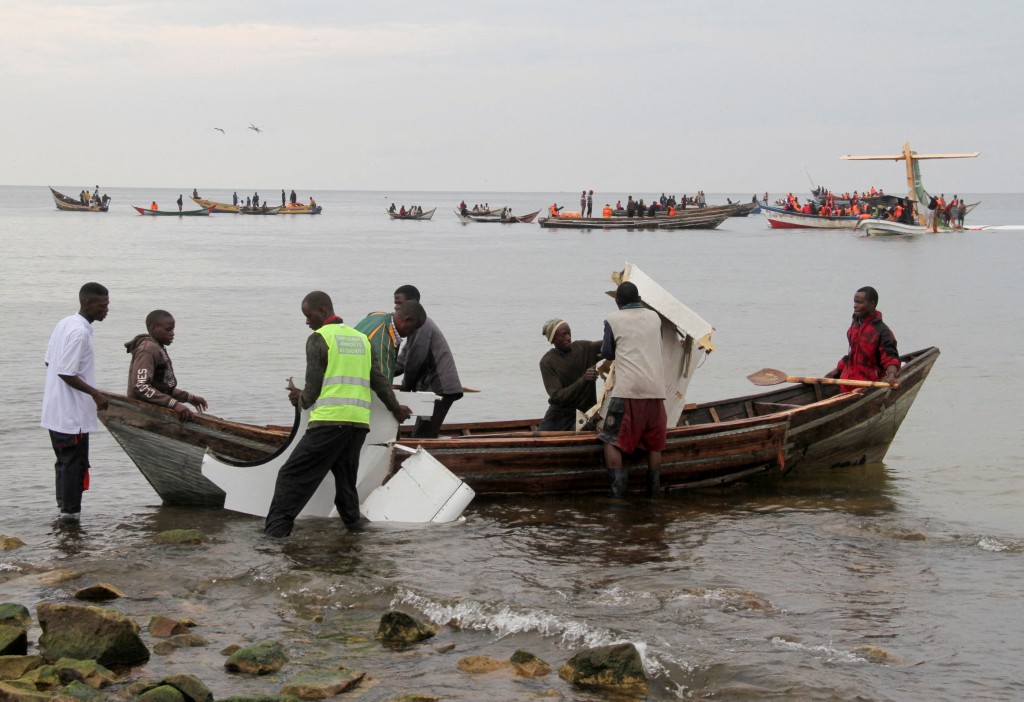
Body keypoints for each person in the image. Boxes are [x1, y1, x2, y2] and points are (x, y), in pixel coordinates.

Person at [264, 291, 411, 537]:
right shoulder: (361, 339)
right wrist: (395, 409)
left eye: (308, 315)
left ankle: (274, 534)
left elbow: (311, 392)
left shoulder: (319, 339)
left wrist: (298, 398)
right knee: (345, 481)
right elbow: (379, 380)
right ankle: (356, 529)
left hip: (329, 423)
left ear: (322, 311)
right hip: (357, 425)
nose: (307, 322)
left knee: (291, 475)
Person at [41, 282, 110, 523]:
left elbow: (50, 362)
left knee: (64, 461)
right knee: (74, 464)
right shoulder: (79, 332)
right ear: (87, 303)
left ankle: (64, 511)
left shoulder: (64, 323)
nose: (106, 310)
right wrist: (94, 393)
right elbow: (65, 371)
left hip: (55, 409)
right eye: (103, 305)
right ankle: (70, 516)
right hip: (72, 415)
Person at [599, 282, 666, 497]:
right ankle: (653, 494)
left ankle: (618, 496)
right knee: (654, 446)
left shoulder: (612, 319)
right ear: (639, 298)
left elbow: (608, 352)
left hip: (627, 392)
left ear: (618, 302)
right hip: (656, 392)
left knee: (611, 441)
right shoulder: (655, 318)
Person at [393, 285, 463, 438]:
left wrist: (406, 387)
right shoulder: (413, 326)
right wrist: (381, 372)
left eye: (399, 302)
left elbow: (415, 361)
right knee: (422, 432)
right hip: (431, 388)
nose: (395, 306)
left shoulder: (421, 325)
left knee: (423, 435)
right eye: (395, 303)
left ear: (412, 303)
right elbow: (403, 360)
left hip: (441, 389)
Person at [124, 310, 208, 422]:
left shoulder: (158, 347)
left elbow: (163, 388)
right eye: (168, 329)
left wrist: (190, 398)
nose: (172, 333)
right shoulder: (148, 350)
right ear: (153, 328)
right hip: (145, 413)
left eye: (173, 329)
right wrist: (174, 404)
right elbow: (140, 386)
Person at [826, 286, 900, 392]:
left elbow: (890, 358)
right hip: (847, 382)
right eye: (855, 302)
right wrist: (837, 369)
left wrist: (891, 376)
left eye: (860, 302)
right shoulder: (855, 324)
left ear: (872, 305)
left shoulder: (882, 331)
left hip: (868, 385)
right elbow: (853, 353)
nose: (855, 306)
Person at [538, 318, 602, 432]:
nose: (568, 337)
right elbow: (557, 397)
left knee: (583, 429)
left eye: (569, 333)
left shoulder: (584, 348)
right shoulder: (547, 362)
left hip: (585, 412)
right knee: (538, 441)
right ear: (553, 339)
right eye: (563, 335)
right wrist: (584, 379)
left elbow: (608, 345)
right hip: (560, 414)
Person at [354, 300, 427, 383]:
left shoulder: (376, 315)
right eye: (413, 328)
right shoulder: (383, 344)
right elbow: (383, 384)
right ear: (407, 320)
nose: (412, 333)